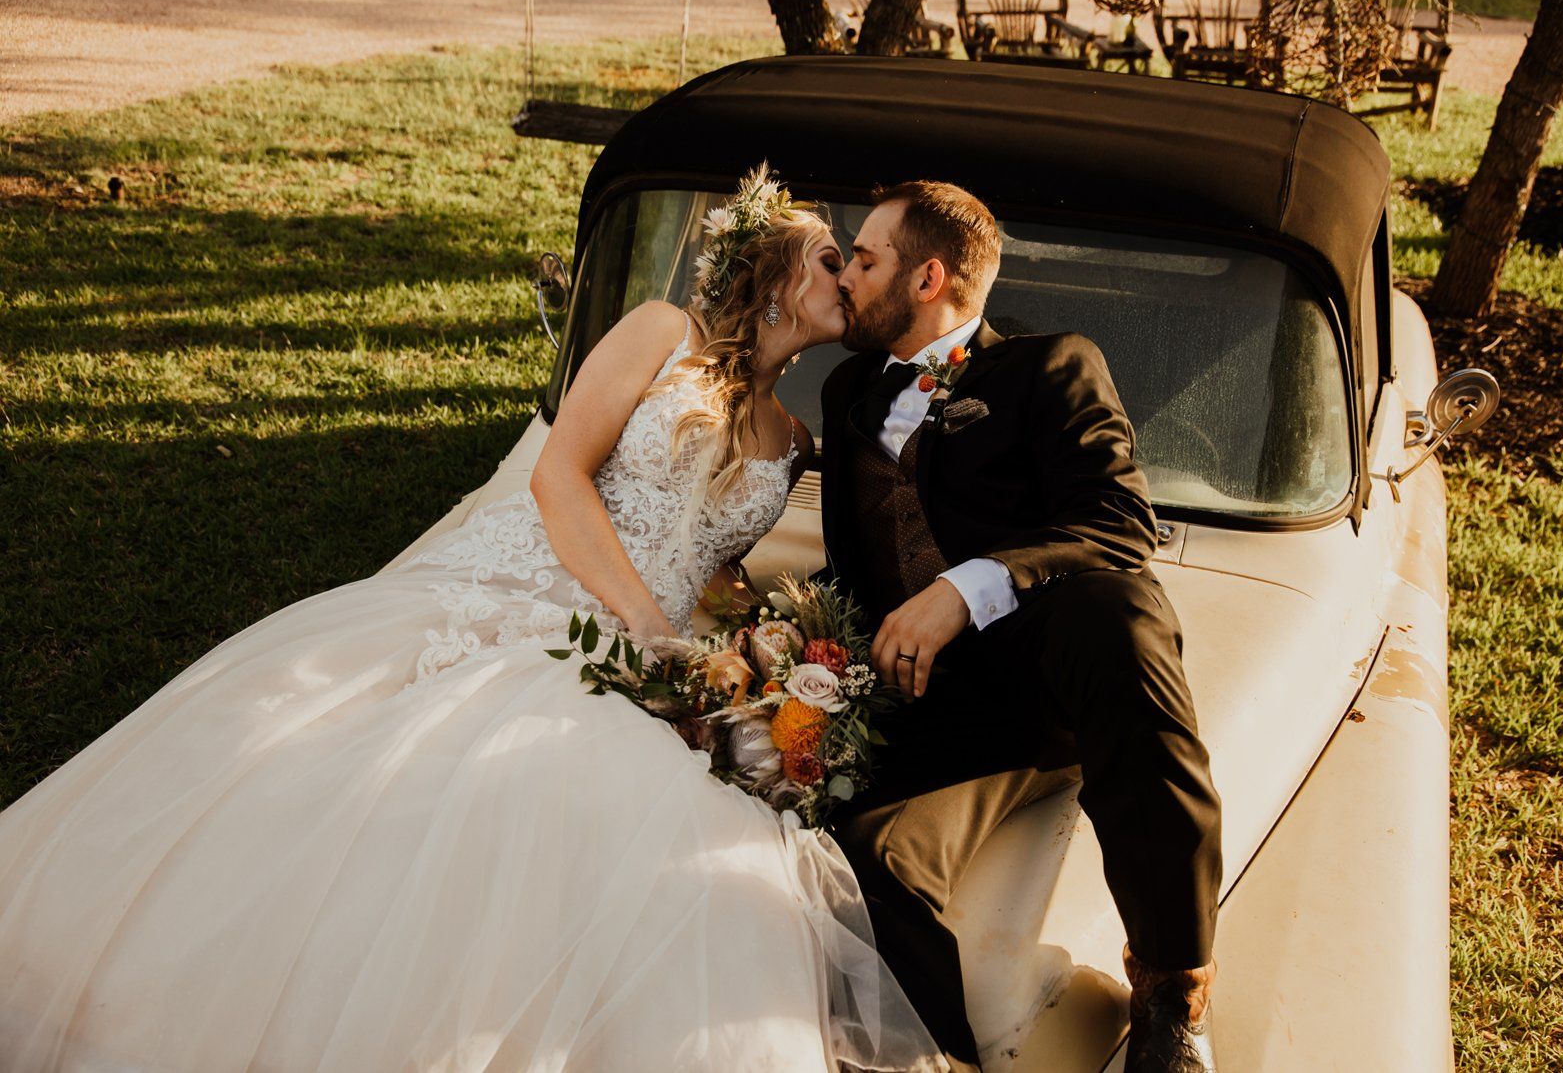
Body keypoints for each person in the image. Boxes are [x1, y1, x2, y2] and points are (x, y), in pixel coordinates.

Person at [0, 166, 942, 1072]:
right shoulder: (664, 332)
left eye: (861, 264)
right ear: (774, 266)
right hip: (533, 595)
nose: (851, 279)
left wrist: (758, 633)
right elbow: (559, 473)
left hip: (653, 650)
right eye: (835, 259)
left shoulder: (795, 438)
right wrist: (645, 621)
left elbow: (711, 550)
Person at [820, 180, 1224, 1073]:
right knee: (862, 865)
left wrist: (967, 588)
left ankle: (1173, 988)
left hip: (1050, 690)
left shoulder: (1049, 367)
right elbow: (861, 554)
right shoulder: (849, 389)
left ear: (928, 278)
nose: (846, 275)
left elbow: (1119, 523)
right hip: (925, 710)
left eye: (865, 260)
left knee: (1122, 608)